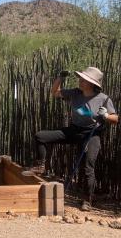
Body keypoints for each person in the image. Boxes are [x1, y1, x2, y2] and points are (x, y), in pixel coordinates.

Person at [33, 67, 118, 210]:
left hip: (92, 133)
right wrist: (60, 77)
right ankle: (40, 164)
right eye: (81, 78)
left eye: (83, 80)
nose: (80, 81)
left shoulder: (104, 99)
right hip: (74, 130)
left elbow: (115, 118)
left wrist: (105, 116)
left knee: (88, 166)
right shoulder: (74, 93)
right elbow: (54, 93)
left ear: (92, 83)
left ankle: (87, 200)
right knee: (40, 136)